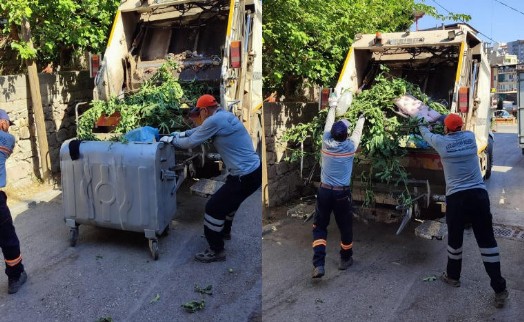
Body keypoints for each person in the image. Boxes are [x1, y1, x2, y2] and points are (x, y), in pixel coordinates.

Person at [417, 113, 508, 308]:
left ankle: (453, 276)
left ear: (447, 129)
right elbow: (452, 126)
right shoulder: (469, 138)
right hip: (478, 196)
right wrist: (444, 119)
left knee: (455, 241)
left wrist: (424, 120)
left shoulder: (441, 143)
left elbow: (424, 132)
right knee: (487, 242)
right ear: (460, 126)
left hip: (457, 199)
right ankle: (500, 289)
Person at [160, 94, 261, 263]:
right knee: (230, 203)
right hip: (251, 172)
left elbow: (190, 142)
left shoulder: (214, 121)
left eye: (199, 113)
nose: (198, 117)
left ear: (205, 111)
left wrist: (172, 140)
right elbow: (199, 131)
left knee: (213, 208)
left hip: (244, 176)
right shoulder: (224, 115)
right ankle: (225, 232)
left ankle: (216, 250)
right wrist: (181, 132)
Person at [311, 96, 365, 279]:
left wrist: (332, 107)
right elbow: (358, 132)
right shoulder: (350, 146)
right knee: (345, 226)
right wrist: (362, 117)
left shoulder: (325, 142)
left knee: (320, 227)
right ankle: (345, 259)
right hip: (342, 194)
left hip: (324, 191)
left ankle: (318, 264)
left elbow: (328, 123)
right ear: (345, 136)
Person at [0, 109, 27, 294]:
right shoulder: (7, 139)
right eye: (8, 124)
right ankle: (16, 276)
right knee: (7, 237)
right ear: (3, 123)